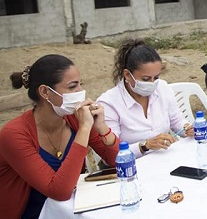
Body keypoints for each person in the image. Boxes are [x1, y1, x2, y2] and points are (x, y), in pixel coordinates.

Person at [0, 54, 120, 219]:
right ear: (45, 92)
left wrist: (102, 128)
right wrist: (84, 129)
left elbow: (119, 161)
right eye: (72, 87)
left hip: (74, 209)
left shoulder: (74, 118)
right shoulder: (14, 134)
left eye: (80, 85)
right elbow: (59, 191)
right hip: (31, 213)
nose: (81, 93)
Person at [97, 39, 194, 158]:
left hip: (165, 158)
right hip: (132, 167)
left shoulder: (162, 87)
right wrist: (144, 146)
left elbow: (176, 120)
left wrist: (187, 128)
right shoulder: (109, 103)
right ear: (127, 75)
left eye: (156, 77)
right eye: (146, 79)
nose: (152, 83)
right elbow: (112, 153)